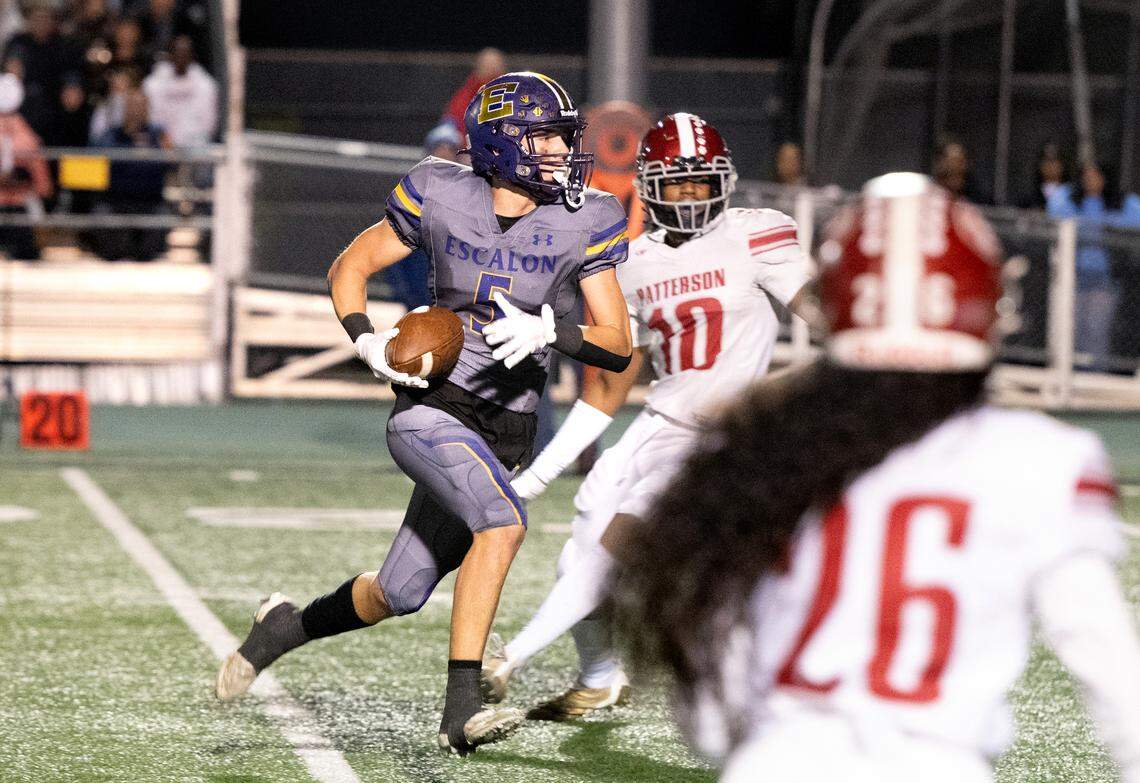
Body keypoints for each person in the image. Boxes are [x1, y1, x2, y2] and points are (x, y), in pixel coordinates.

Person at [617, 172, 1140, 783]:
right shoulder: (1039, 456)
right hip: (936, 764)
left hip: (779, 762)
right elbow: (1100, 650)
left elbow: (704, 660)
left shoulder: (767, 439)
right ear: (985, 311)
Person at [215, 71, 634, 757]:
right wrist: (365, 339)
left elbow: (618, 344)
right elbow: (349, 266)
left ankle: (281, 628)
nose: (563, 150)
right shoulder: (441, 190)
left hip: (507, 430)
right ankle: (460, 709)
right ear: (504, 143)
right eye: (548, 137)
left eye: (564, 137)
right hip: (431, 408)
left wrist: (551, 331)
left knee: (400, 591)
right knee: (502, 524)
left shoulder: (584, 217)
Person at [480, 113, 816, 719]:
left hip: (720, 436)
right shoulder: (630, 261)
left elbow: (821, 309)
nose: (689, 193)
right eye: (676, 181)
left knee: (619, 544)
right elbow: (610, 386)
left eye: (700, 181)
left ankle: (511, 658)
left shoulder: (755, 233)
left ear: (725, 180)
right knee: (575, 556)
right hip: (658, 425)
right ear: (650, 184)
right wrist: (536, 477)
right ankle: (601, 676)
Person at [1047, 160, 1140, 370]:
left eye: (1096, 175)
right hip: (1072, 277)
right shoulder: (1070, 199)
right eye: (1087, 176)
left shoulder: (1120, 203)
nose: (1091, 181)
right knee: (1071, 327)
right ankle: (1066, 371)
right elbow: (1055, 207)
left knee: (1096, 329)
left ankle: (1095, 373)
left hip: (1104, 279)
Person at [92, 88, 171, 260]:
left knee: (162, 219)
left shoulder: (158, 134)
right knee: (102, 216)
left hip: (150, 202)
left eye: (141, 106)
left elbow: (169, 165)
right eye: (132, 106)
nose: (136, 111)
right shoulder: (112, 135)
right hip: (116, 202)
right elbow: (100, 160)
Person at [0, 72, 51, 259]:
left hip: (21, 204)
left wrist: (17, 180)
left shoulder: (27, 137)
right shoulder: (29, 136)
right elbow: (44, 186)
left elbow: (42, 185)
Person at [142, 35, 216, 147]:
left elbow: (208, 122)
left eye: (185, 53)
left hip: (193, 148)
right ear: (170, 55)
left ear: (192, 56)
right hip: (160, 146)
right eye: (177, 52)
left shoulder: (206, 85)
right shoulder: (153, 83)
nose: (181, 56)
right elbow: (149, 115)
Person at [441, 47, 505, 135]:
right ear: (478, 66)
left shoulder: (510, 92)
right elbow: (452, 118)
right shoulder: (468, 91)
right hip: (468, 142)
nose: (490, 68)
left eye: (493, 65)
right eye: (486, 64)